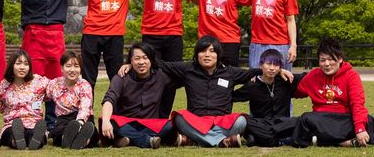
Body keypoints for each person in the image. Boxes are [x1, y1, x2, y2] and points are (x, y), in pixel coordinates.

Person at [122, 36, 292, 148]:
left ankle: (196, 139)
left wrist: (279, 71)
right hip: (196, 120)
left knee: (242, 120)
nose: (207, 55)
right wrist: (132, 63)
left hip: (222, 121)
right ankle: (220, 142)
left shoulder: (230, 71)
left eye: (212, 51)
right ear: (197, 55)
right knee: (179, 118)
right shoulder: (187, 69)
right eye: (203, 51)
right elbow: (159, 63)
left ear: (218, 55)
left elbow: (255, 71)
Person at [6, 0, 83, 131]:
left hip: (55, 33)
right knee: (32, 78)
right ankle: (32, 121)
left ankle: (53, 122)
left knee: (57, 78)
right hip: (33, 32)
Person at [136, 0, 194, 118]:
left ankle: (163, 116)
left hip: (174, 36)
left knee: (171, 79)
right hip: (151, 35)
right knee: (151, 76)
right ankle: (149, 115)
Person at [290, 38, 374, 147]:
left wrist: (360, 129)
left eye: (330, 59)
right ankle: (343, 142)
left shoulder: (351, 76)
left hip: (344, 118)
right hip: (321, 120)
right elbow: (295, 91)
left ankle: (321, 140)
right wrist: (280, 75)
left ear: (340, 59)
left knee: (369, 121)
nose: (327, 64)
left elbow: (357, 103)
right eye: (322, 60)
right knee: (306, 119)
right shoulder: (313, 75)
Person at [100, 43, 175, 149]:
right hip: (126, 123)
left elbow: (183, 74)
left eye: (145, 58)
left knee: (170, 125)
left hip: (150, 124)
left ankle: (128, 139)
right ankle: (147, 141)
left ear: (152, 60)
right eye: (137, 58)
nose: (141, 62)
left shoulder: (160, 76)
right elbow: (109, 99)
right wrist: (106, 121)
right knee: (113, 122)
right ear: (131, 60)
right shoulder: (121, 77)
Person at [232, 49, 304, 146]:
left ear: (280, 68)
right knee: (246, 120)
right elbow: (232, 97)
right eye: (268, 64)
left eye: (276, 65)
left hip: (282, 123)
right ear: (261, 65)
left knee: (299, 121)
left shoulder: (286, 81)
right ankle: (278, 139)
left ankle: (260, 138)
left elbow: (308, 77)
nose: (272, 68)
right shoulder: (252, 86)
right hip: (261, 124)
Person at [0, 49, 50, 150]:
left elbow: (56, 88)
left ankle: (35, 141)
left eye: (26, 64)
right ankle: (16, 141)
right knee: (10, 132)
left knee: (33, 132)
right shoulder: (5, 84)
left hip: (33, 122)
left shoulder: (39, 81)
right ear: (12, 65)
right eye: (18, 63)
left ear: (29, 67)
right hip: (12, 123)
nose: (22, 67)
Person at [46, 51, 98, 149]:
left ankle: (82, 140)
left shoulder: (84, 85)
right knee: (57, 133)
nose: (72, 70)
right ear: (61, 68)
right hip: (64, 119)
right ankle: (67, 138)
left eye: (76, 66)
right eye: (68, 66)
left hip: (83, 119)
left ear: (80, 68)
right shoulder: (54, 84)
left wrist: (80, 122)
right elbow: (42, 94)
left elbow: (85, 106)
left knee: (92, 132)